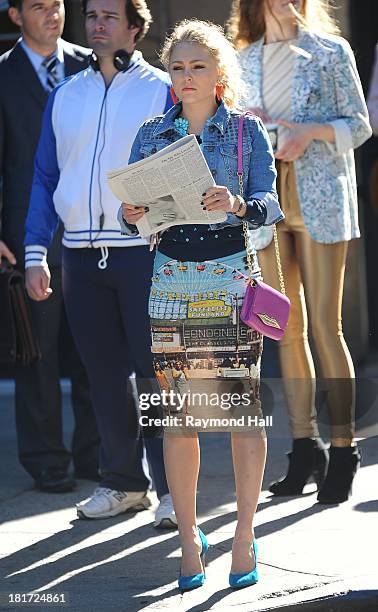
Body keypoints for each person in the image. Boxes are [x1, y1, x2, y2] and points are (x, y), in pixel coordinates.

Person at [122, 19, 283, 590]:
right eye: (178, 67)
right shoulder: (149, 133)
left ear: (219, 74)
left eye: (197, 66)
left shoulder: (244, 131)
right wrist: (131, 214)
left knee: (240, 416)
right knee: (180, 420)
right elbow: (133, 211)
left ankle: (243, 535)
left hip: (229, 281)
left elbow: (272, 206)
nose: (186, 77)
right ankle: (190, 540)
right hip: (168, 284)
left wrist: (238, 203)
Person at [23, 0, 177, 528]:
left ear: (135, 27)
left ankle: (173, 488)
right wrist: (35, 253)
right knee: (104, 377)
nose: (97, 24)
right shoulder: (65, 94)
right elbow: (45, 177)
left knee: (157, 377)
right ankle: (124, 483)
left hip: (144, 254)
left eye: (110, 16)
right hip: (80, 257)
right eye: (92, 16)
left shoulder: (162, 89)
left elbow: (182, 172)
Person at [229, 0, 372, 503]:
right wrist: (258, 128)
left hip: (320, 196)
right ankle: (304, 448)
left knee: (327, 329)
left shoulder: (331, 50)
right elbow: (234, 137)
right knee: (286, 330)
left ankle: (344, 449)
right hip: (266, 205)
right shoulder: (240, 59)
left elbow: (359, 125)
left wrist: (307, 132)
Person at [0, 0, 99, 492]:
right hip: (24, 237)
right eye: (38, 7)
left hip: (91, 230)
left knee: (93, 351)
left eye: (57, 5)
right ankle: (45, 459)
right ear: (16, 16)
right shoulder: (3, 75)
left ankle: (94, 454)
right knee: (36, 354)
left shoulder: (90, 64)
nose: (52, 14)